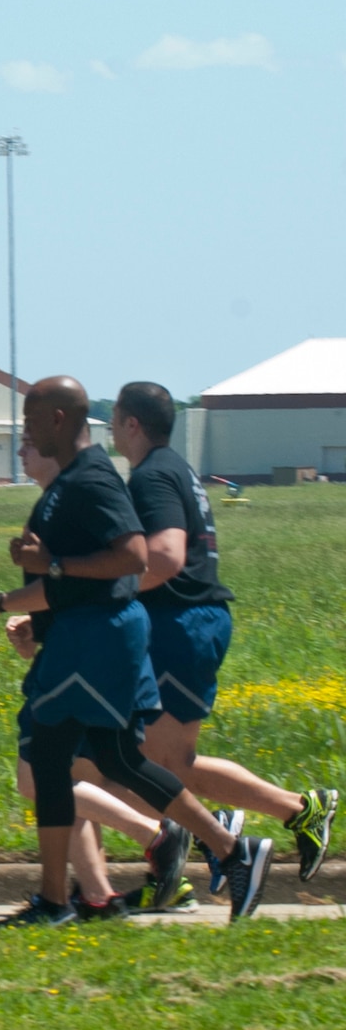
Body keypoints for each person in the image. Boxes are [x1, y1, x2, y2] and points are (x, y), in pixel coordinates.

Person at [0, 377, 270, 925]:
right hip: (87, 635)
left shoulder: (93, 478)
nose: (25, 432)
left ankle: (60, 900)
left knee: (52, 760)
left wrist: (50, 568)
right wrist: (37, 595)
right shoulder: (70, 484)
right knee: (114, 759)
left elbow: (132, 558)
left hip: (95, 639)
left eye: (32, 422)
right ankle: (226, 851)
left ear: (59, 419)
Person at [110, 382, 336, 895]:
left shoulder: (151, 477)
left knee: (150, 765)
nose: (112, 431)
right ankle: (270, 816)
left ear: (132, 425)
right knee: (163, 763)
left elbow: (165, 557)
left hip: (181, 625)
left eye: (116, 420)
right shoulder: (177, 470)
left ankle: (249, 823)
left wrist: (107, 587)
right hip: (189, 623)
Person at [1, 432, 188, 917]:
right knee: (62, 775)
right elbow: (67, 589)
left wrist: (4, 603)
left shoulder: (82, 490)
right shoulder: (55, 500)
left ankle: (162, 836)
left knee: (42, 777)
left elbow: (112, 570)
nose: (22, 449)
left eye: (30, 440)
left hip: (89, 652)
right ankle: (96, 893)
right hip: (72, 647)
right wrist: (34, 627)